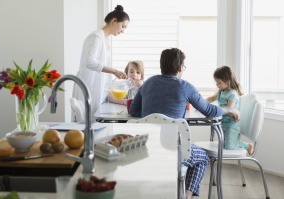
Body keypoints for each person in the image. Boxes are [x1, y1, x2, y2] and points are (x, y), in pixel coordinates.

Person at [129, 48, 239, 199]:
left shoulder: (147, 83)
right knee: (203, 158)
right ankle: (186, 196)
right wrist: (228, 110)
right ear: (180, 67)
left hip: (147, 148)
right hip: (175, 150)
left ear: (162, 65)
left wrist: (153, 112)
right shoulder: (185, 87)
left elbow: (134, 111)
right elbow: (209, 111)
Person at [72, 5, 130, 117]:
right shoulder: (96, 37)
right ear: (114, 21)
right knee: (84, 124)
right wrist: (114, 71)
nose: (123, 31)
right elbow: (89, 61)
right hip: (88, 86)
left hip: (96, 89)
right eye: (123, 26)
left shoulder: (105, 39)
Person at [207, 66, 253, 154]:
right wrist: (201, 101)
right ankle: (235, 142)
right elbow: (212, 98)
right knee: (224, 144)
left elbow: (229, 109)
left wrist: (215, 110)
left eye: (219, 83)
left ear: (227, 81)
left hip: (232, 124)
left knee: (229, 146)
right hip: (223, 122)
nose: (217, 85)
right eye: (216, 83)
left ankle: (247, 145)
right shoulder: (221, 91)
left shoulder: (233, 94)